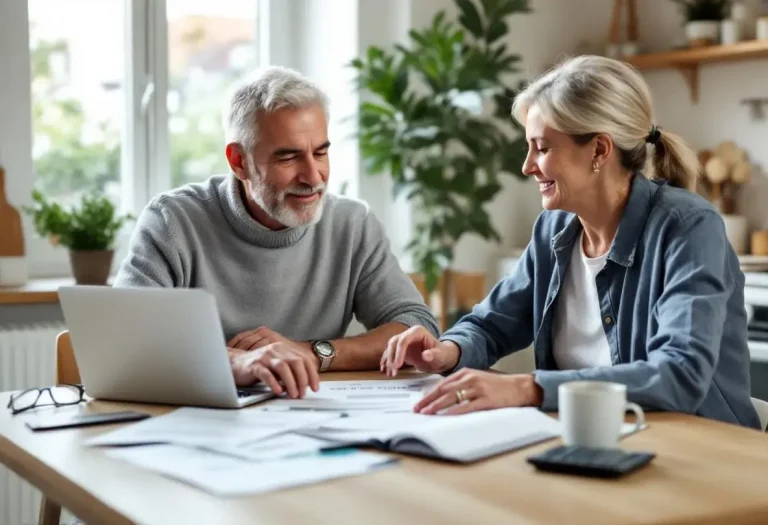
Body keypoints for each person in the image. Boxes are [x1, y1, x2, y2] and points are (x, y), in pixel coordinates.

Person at [381, 55, 761, 429]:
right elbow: (493, 324)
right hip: (592, 440)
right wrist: (446, 350)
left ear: (599, 149)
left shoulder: (689, 228)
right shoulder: (554, 229)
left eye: (543, 148)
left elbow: (681, 373)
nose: (527, 166)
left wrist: (526, 387)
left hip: (700, 451)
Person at [115, 66, 439, 399]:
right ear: (239, 161)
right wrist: (239, 364)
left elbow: (416, 328)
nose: (313, 177)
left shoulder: (352, 224)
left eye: (321, 152)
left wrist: (312, 352)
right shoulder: (173, 221)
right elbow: (123, 341)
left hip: (309, 421)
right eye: (289, 157)